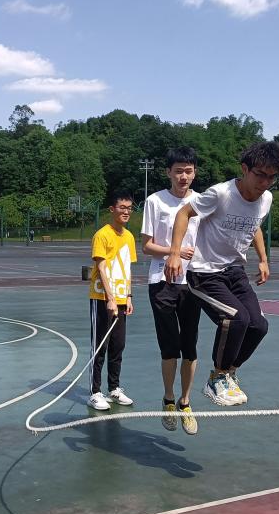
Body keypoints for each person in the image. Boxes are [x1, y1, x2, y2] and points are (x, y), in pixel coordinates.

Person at [164, 141, 279, 406]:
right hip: (204, 273)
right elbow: (184, 213)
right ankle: (217, 377)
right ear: (245, 169)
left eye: (272, 177)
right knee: (236, 318)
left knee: (259, 326)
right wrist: (175, 253)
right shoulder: (221, 193)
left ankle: (229, 373)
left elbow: (254, 225)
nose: (265, 183)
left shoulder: (266, 199)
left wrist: (263, 259)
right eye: (260, 175)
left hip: (234, 271)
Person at [141, 147, 202, 434]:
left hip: (193, 283)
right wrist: (174, 252)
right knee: (169, 347)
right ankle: (168, 399)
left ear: (195, 173)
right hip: (162, 282)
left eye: (188, 171)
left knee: (190, 346)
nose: (183, 176)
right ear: (168, 172)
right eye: (178, 171)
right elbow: (146, 246)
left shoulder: (202, 202)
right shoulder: (155, 201)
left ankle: (185, 402)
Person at [87, 192, 136, 411]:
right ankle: (95, 392)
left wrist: (128, 296)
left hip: (122, 299)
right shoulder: (102, 235)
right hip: (102, 298)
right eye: (122, 207)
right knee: (100, 346)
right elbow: (101, 267)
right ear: (112, 209)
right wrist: (110, 298)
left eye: (129, 208)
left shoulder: (129, 237)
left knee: (118, 345)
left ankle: (114, 388)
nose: (126, 211)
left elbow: (127, 268)